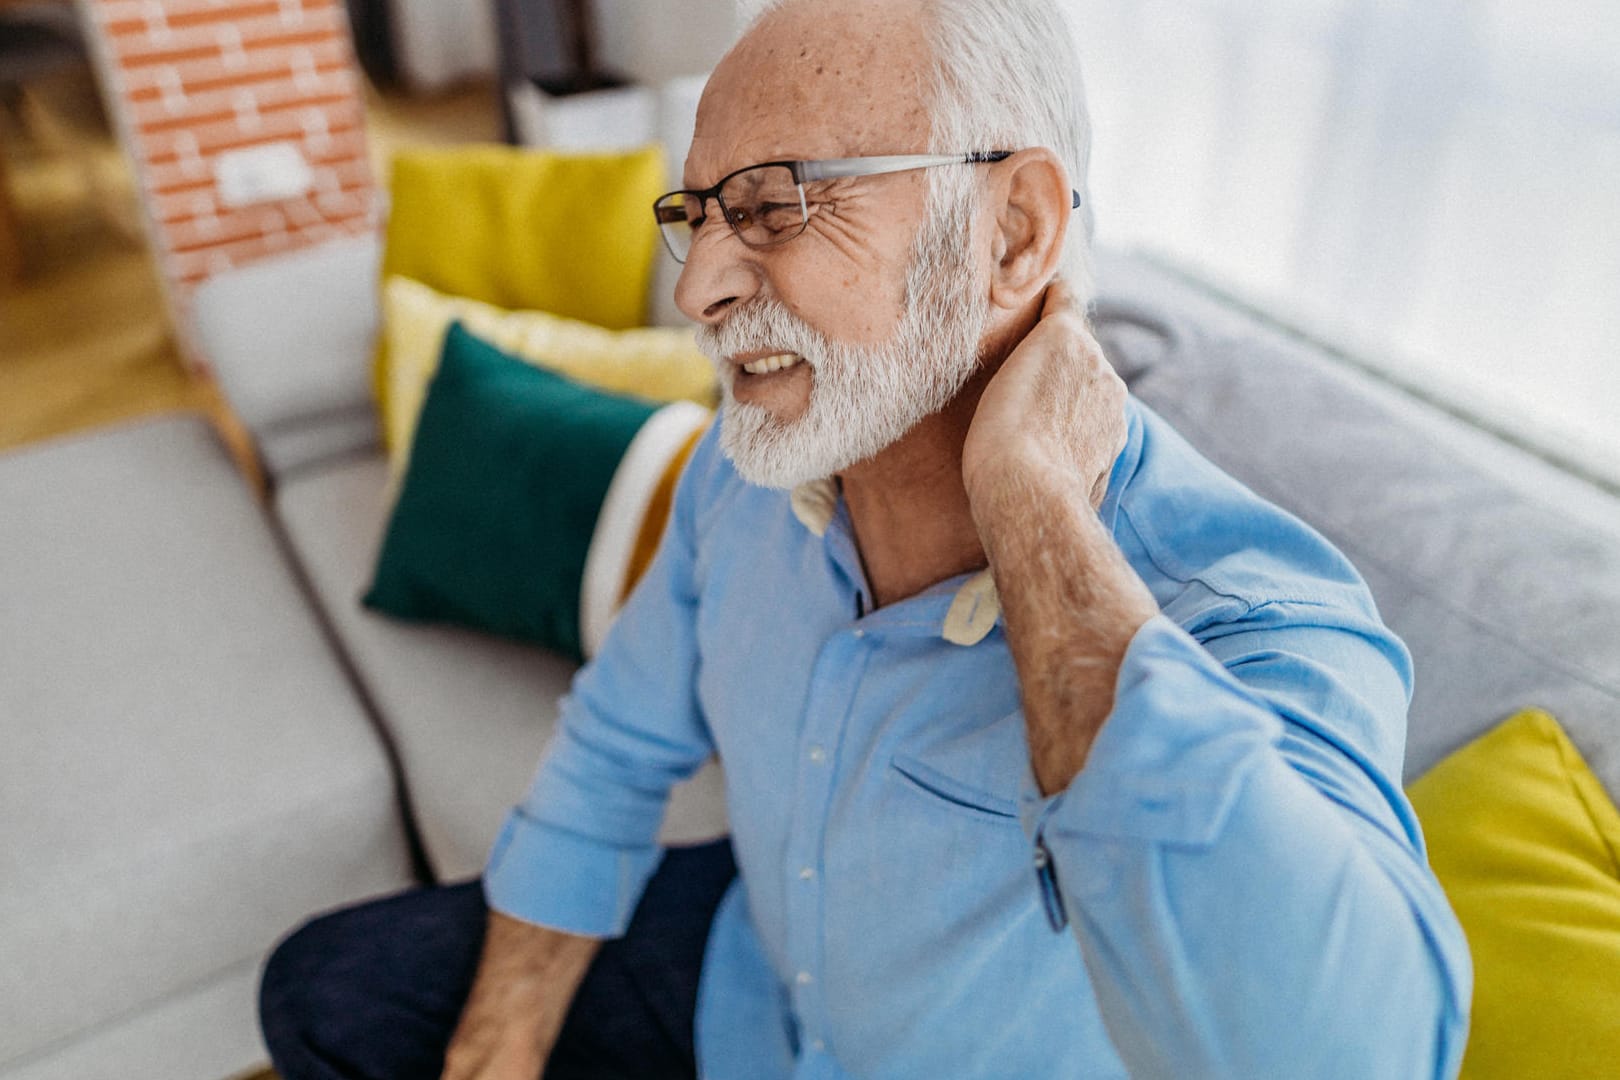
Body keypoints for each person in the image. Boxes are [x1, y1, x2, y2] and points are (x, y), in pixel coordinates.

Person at [259, 0, 1473, 1076]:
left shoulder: (1257, 614)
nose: (698, 291)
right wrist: (506, 1036)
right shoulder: (743, 476)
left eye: (778, 201)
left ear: (1011, 233)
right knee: (325, 990)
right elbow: (616, 748)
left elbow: (1359, 1052)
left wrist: (1034, 508)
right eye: (700, 214)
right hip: (751, 994)